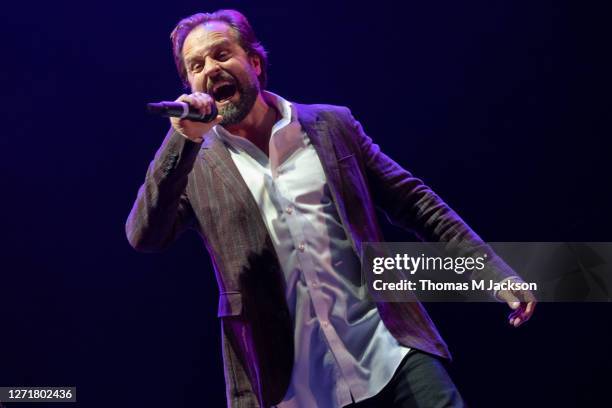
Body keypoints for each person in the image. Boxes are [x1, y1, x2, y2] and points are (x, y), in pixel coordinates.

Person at [126, 9, 536, 408]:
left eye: (220, 54)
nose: (210, 69)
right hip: (295, 387)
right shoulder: (192, 163)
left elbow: (415, 201)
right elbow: (145, 234)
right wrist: (182, 140)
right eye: (195, 65)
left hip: (389, 352)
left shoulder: (330, 126)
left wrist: (489, 269)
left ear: (253, 62)